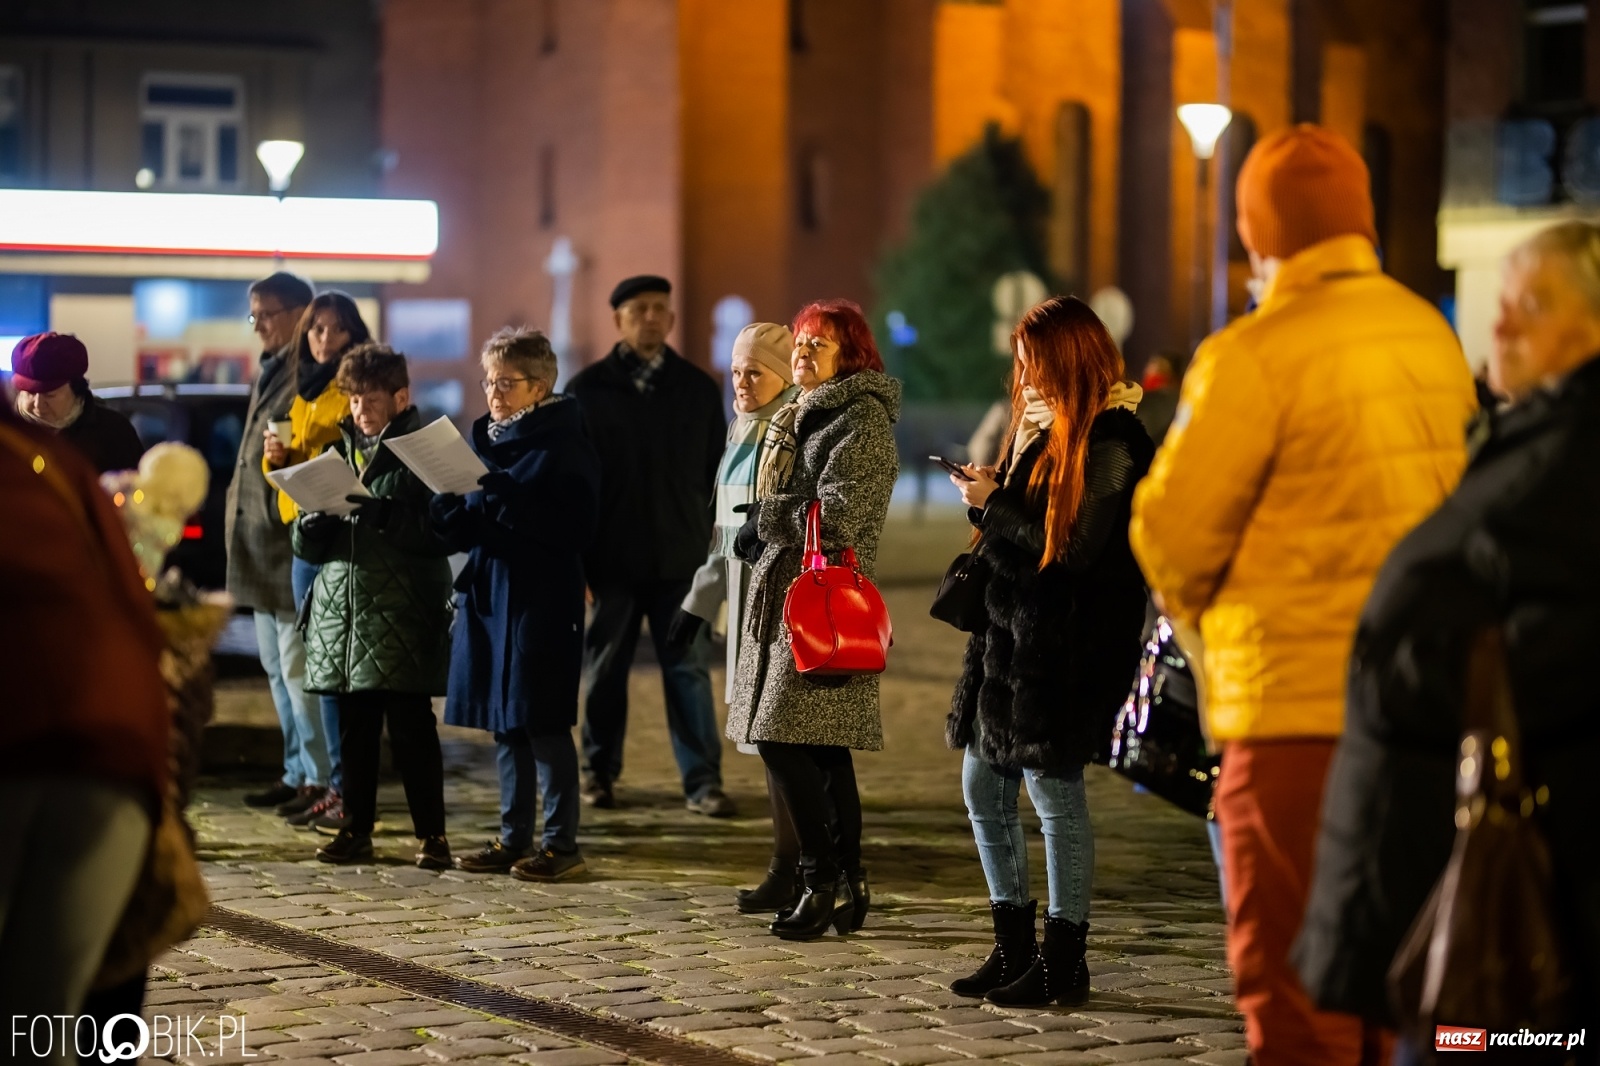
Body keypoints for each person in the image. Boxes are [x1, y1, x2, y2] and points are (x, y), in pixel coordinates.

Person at [1128, 124, 1477, 1065]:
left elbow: (1170, 535)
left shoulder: (1253, 352)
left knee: (1292, 985)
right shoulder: (1430, 337)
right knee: (1395, 983)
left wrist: (1206, 616)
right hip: (1418, 713)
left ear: (1256, 235)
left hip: (1295, 712)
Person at [1296, 220, 1600, 1055]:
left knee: (1467, 1041)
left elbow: (1567, 642)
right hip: (1448, 838)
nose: (1500, 325)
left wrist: (1402, 678)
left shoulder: (1578, 447)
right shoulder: (1539, 430)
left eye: (1532, 305)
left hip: (1515, 875)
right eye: (1502, 303)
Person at [944, 296, 1154, 1006]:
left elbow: (1074, 550)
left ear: (1070, 358)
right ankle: (1013, 950)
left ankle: (1065, 961)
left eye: (1037, 361)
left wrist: (992, 506)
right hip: (1008, 645)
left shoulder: (1113, 436)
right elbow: (1025, 526)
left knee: (1054, 797)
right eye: (1022, 361)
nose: (1026, 374)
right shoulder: (1043, 430)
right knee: (983, 785)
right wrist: (992, 497)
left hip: (1065, 649)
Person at [0, 390, 168, 1063]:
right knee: (45, 1017)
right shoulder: (48, 461)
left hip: (24, 743)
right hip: (114, 750)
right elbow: (133, 606)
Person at [727, 299, 900, 941]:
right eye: (799, 344)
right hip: (789, 598)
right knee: (824, 753)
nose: (802, 355)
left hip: (821, 606)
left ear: (849, 355)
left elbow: (843, 519)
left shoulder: (859, 421)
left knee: (781, 739)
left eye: (817, 346)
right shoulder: (802, 416)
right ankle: (848, 882)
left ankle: (818, 880)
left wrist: (766, 519)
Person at [567, 275, 734, 816]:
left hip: (681, 562)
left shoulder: (697, 388)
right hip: (610, 560)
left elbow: (716, 475)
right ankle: (597, 774)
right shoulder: (586, 390)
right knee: (604, 671)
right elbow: (576, 483)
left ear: (672, 319)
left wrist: (715, 553)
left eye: (660, 309)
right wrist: (581, 562)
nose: (650, 318)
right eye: (638, 309)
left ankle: (702, 782)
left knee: (687, 671)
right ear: (617, 319)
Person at [438, 328, 602, 882]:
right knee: (506, 723)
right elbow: (471, 521)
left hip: (542, 595)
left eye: (506, 383)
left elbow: (576, 527)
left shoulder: (565, 442)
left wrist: (507, 497)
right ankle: (514, 837)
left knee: (543, 719)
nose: (493, 394)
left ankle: (562, 843)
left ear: (541, 385)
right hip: (490, 591)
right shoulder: (482, 438)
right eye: (488, 381)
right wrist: (447, 511)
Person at [290, 344, 453, 869]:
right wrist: (309, 529)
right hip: (346, 610)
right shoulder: (339, 452)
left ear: (400, 396)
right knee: (354, 729)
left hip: (401, 608)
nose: (359, 409)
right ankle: (356, 829)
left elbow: (444, 531)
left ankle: (432, 836)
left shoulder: (423, 452)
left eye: (370, 398)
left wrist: (390, 518)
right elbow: (307, 544)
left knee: (411, 729)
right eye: (354, 399)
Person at [665, 322, 801, 911]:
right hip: (746, 608)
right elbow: (726, 535)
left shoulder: (792, 430)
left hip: (783, 606)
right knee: (768, 745)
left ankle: (805, 865)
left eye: (755, 372)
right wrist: (699, 602)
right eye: (736, 371)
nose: (742, 383)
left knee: (787, 743)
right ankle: (792, 862)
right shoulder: (743, 428)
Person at [264, 290, 372, 832]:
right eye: (316, 330)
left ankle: (342, 784)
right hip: (300, 528)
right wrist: (276, 461)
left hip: (338, 534)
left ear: (354, 333)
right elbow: (291, 465)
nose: (323, 338)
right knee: (313, 667)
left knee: (332, 669)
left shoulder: (352, 387)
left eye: (334, 329)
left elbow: (358, 453)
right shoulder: (302, 390)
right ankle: (327, 782)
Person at [227, 272, 331, 816]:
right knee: (275, 665)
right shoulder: (271, 367)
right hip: (258, 542)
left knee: (297, 667)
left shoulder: (304, 370)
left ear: (300, 312)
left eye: (267, 314)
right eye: (255, 316)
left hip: (285, 538)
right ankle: (296, 770)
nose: (260, 325)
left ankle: (318, 777)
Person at [9, 331, 144, 473]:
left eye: (50, 395)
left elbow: (137, 487)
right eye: (29, 393)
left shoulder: (113, 432)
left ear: (76, 389)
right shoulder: (7, 429)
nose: (37, 404)